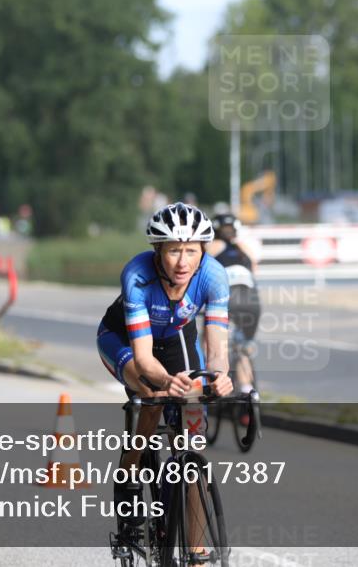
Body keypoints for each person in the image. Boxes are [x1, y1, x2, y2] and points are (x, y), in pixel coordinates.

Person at [96, 202, 233, 533]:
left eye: (191, 251)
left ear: (203, 250)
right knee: (152, 393)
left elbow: (216, 347)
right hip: (123, 340)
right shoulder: (137, 275)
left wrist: (219, 377)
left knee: (192, 440)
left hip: (175, 338)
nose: (183, 262)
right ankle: (129, 475)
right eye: (174, 251)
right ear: (158, 250)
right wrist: (166, 381)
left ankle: (196, 548)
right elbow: (144, 359)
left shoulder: (215, 276)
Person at [208, 213, 261, 426]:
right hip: (251, 302)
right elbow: (254, 271)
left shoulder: (213, 246)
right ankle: (247, 396)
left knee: (209, 337)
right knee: (243, 350)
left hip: (226, 300)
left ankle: (207, 380)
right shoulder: (244, 248)